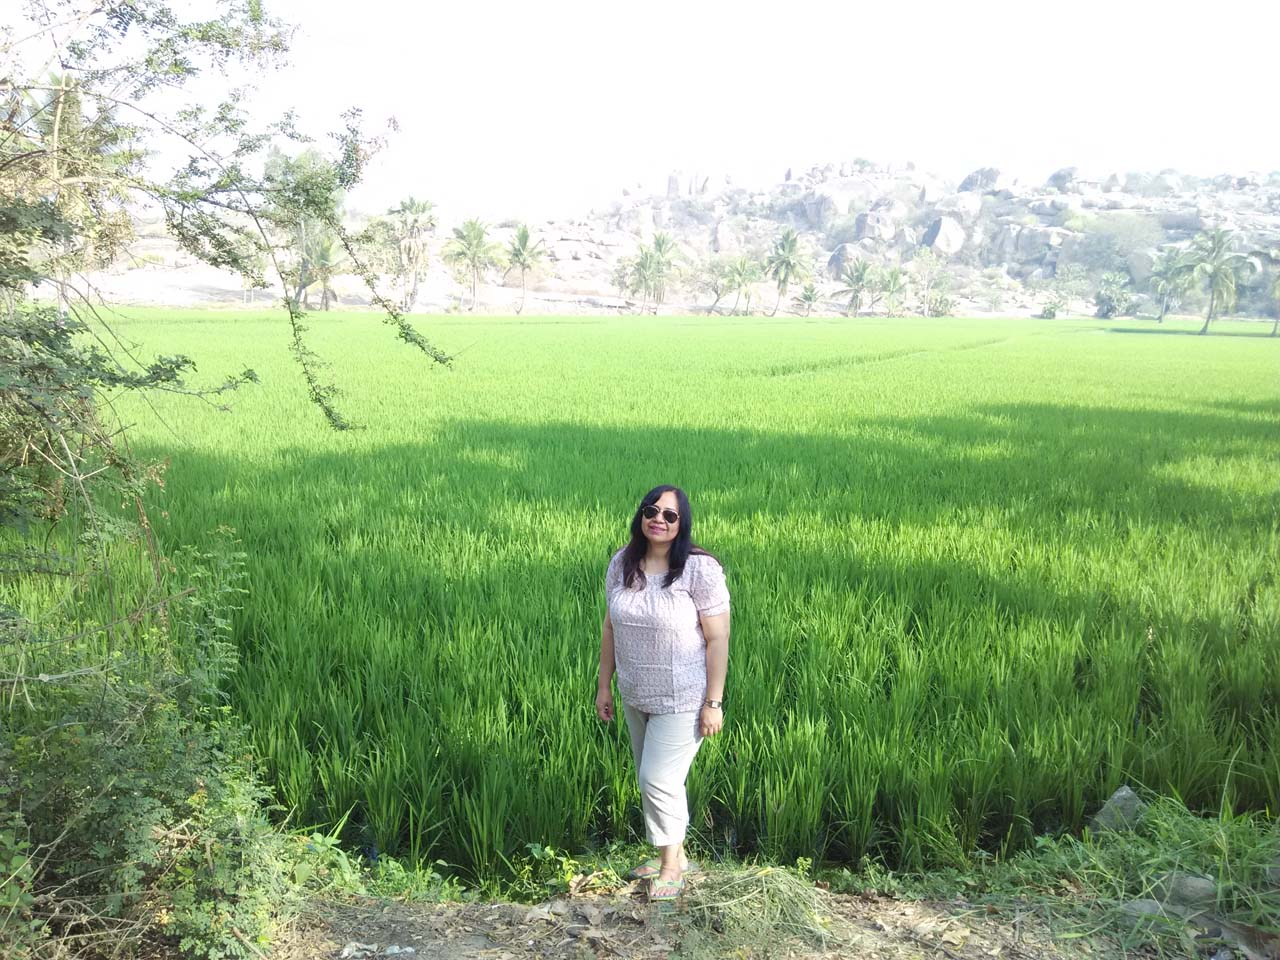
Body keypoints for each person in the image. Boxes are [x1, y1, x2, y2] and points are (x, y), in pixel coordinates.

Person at [596, 484, 731, 902]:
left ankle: (671, 867)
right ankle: (675, 854)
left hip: (683, 697)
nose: (659, 519)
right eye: (651, 511)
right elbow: (610, 627)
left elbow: (718, 638)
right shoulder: (623, 562)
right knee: (654, 779)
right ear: (641, 515)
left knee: (657, 779)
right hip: (636, 693)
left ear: (681, 523)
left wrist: (713, 702)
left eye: (670, 515)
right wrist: (604, 685)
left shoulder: (699, 569)